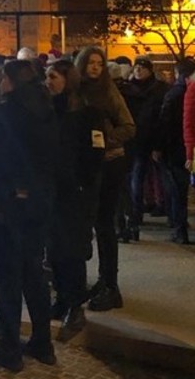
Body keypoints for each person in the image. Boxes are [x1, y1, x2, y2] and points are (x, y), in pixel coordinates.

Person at [0, 58, 58, 373]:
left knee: (9, 277)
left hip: (11, 204)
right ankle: (43, 342)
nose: (0, 82)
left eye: (4, 78)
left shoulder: (4, 115)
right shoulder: (47, 113)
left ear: (13, 83)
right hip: (40, 203)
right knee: (34, 274)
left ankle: (11, 348)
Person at [45, 58, 105, 339]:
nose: (48, 82)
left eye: (53, 77)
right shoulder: (50, 111)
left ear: (67, 80)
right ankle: (61, 297)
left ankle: (75, 306)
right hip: (54, 191)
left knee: (73, 251)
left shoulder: (88, 113)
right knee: (55, 249)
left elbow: (95, 153)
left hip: (77, 194)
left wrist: (83, 185)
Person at [76, 45, 135, 312]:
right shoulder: (76, 91)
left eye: (100, 64)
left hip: (110, 161)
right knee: (89, 222)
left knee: (105, 223)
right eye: (91, 63)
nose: (95, 68)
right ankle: (101, 280)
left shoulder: (109, 91)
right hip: (86, 165)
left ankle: (110, 283)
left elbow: (129, 126)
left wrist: (103, 140)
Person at [122, 56, 168, 239]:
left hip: (152, 138)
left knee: (148, 177)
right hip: (135, 140)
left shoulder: (158, 89)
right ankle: (136, 212)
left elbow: (161, 117)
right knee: (136, 177)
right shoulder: (128, 89)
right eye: (136, 68)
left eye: (142, 68)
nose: (138, 71)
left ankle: (151, 208)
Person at [153, 59, 194, 244]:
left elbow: (165, 122)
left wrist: (158, 146)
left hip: (175, 148)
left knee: (177, 190)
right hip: (185, 147)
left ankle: (179, 229)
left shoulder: (174, 94)